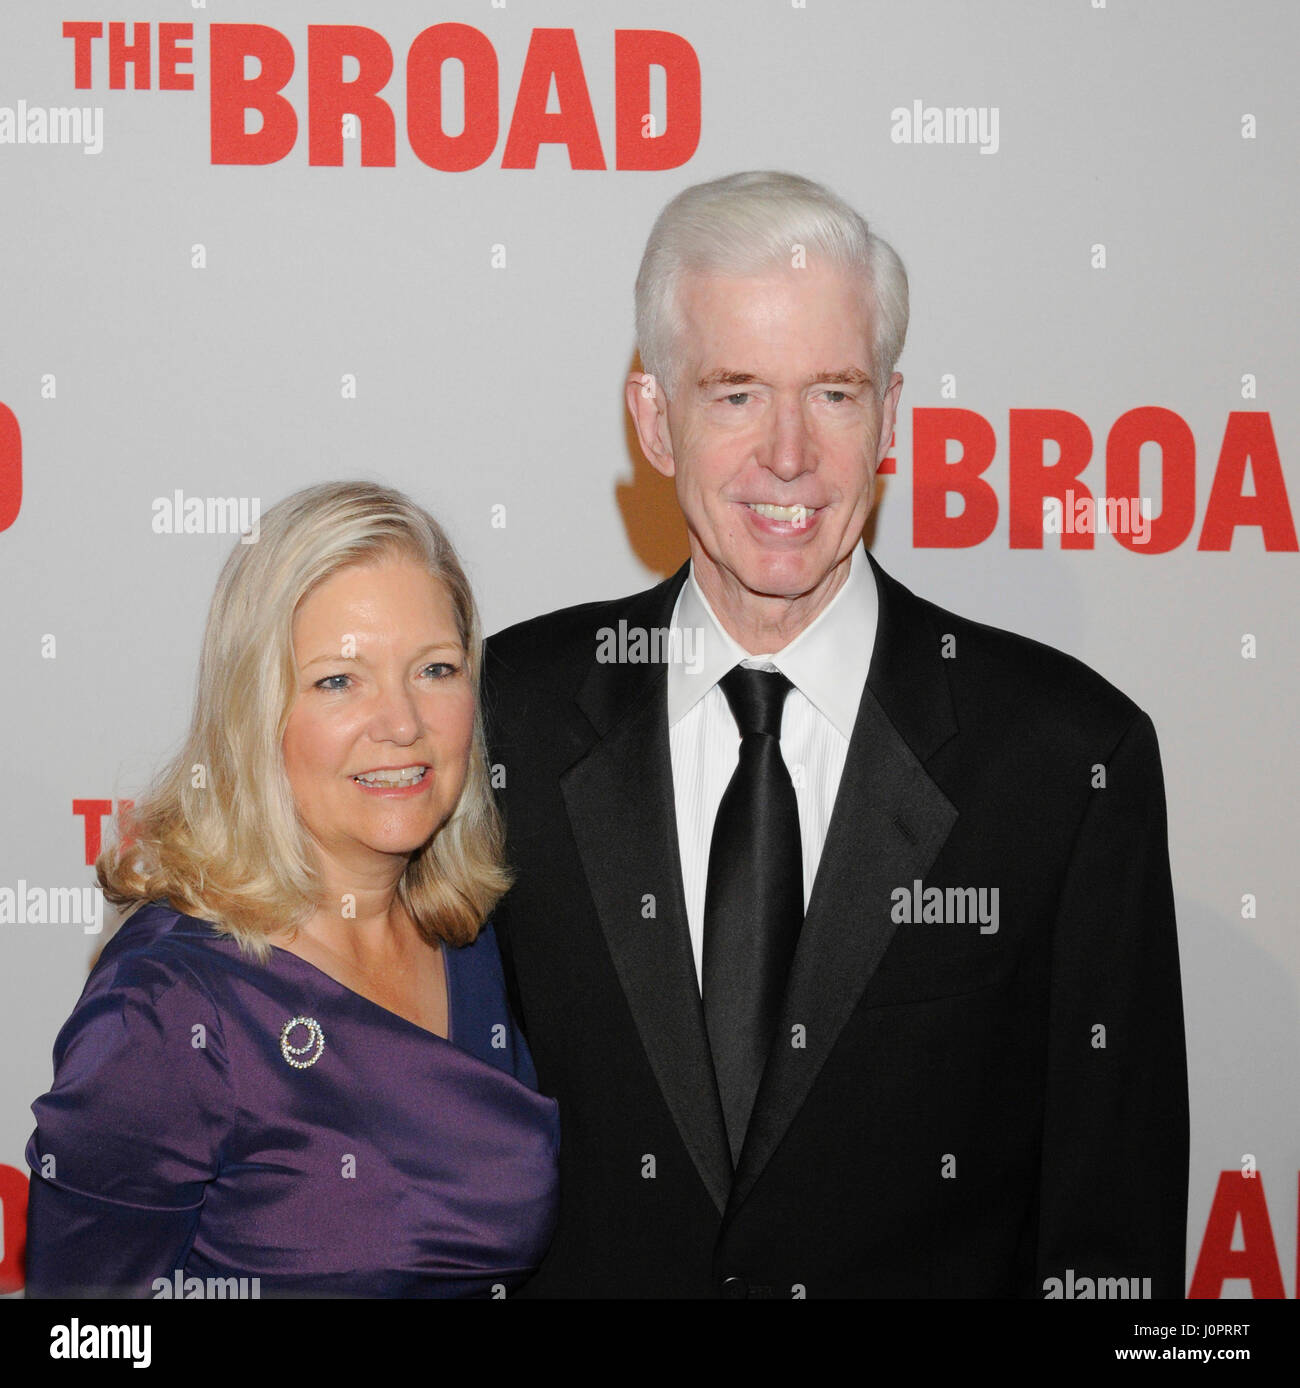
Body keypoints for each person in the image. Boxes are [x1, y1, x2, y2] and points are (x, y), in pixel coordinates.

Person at [483, 171, 1189, 1298]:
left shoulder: (1067, 761)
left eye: (834, 393)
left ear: (891, 417)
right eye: (734, 395)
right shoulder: (507, 709)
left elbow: (1111, 1240)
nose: (789, 456)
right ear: (654, 420)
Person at [26, 481, 558, 1298]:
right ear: (255, 710)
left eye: (436, 669)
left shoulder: (476, 938)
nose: (403, 722)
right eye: (339, 681)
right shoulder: (171, 1006)